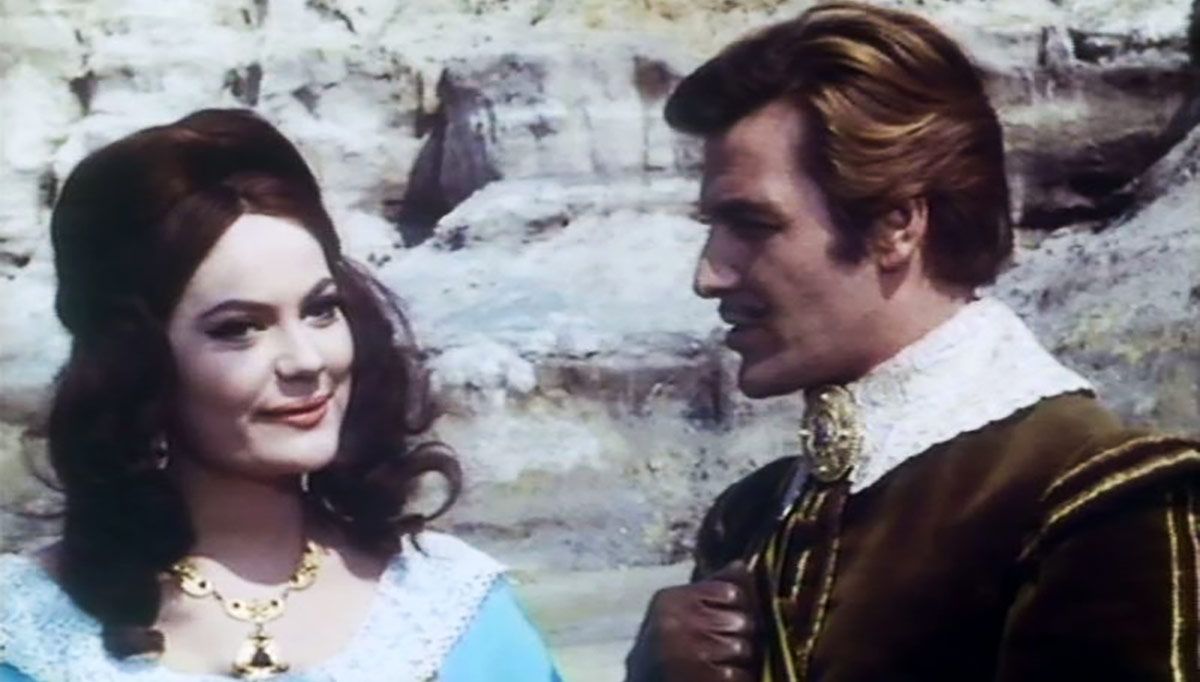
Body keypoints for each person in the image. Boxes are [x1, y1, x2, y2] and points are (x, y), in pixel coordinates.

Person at [625, 3, 1200, 681]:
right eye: (713, 228)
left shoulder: (1098, 498)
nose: (709, 275)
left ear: (896, 225)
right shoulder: (750, 516)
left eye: (752, 224)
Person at [0, 109, 560, 681]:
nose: (306, 360)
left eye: (321, 310)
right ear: (134, 360)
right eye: (240, 328)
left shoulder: (448, 610)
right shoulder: (29, 636)